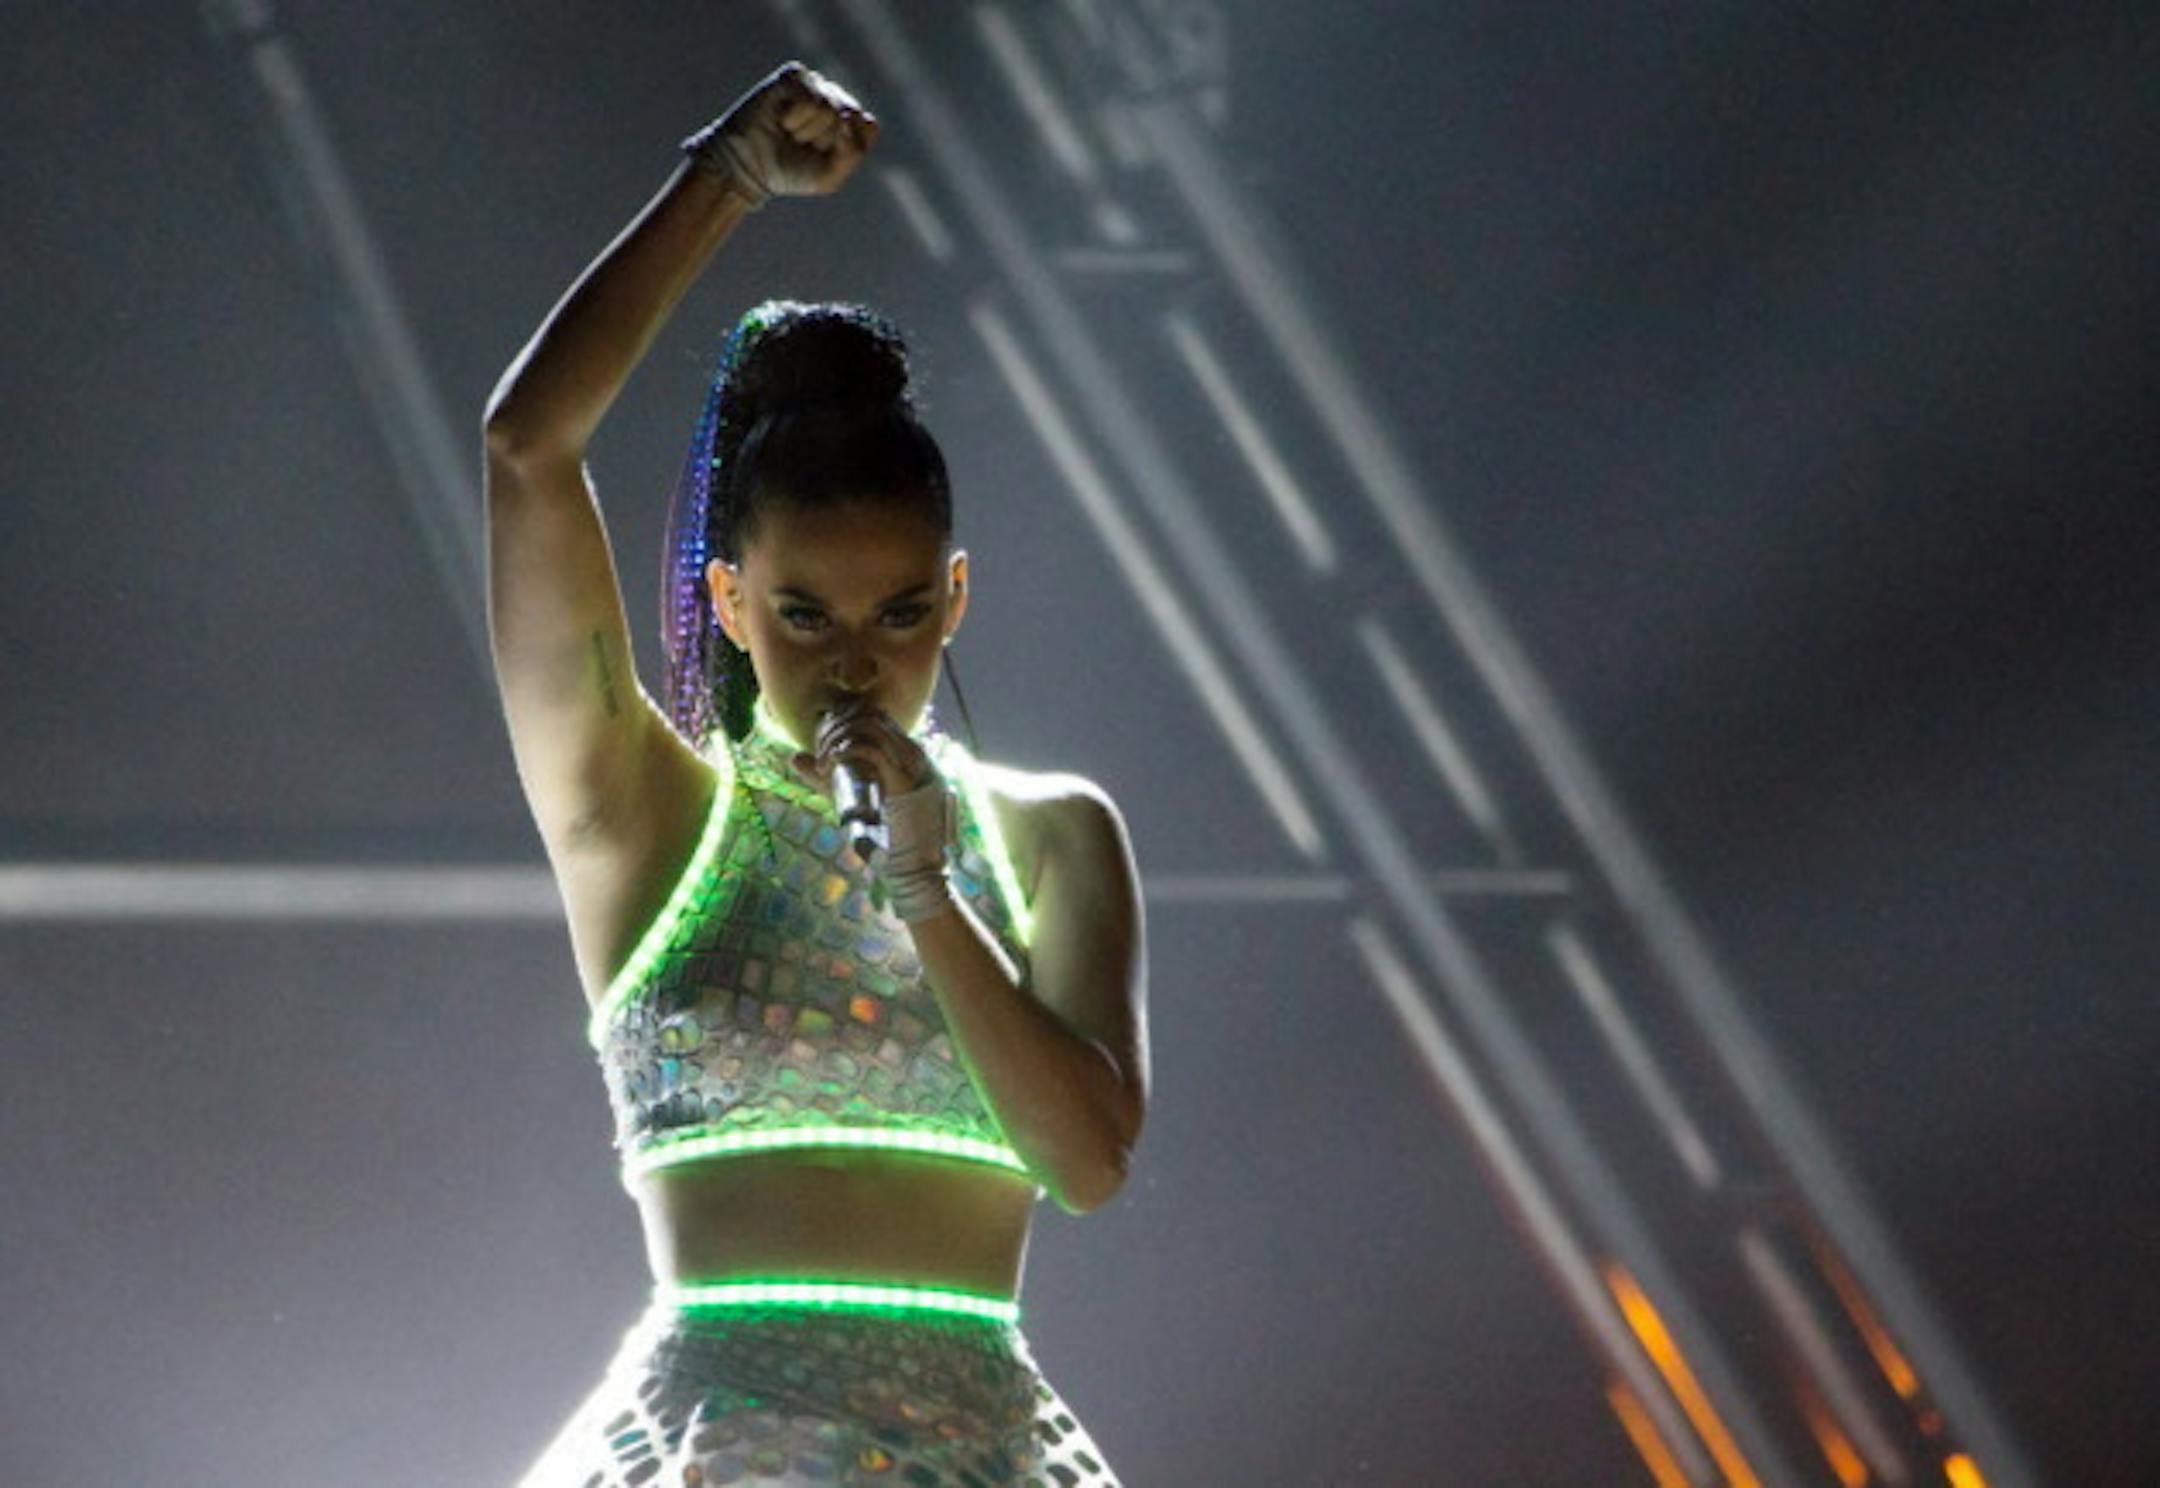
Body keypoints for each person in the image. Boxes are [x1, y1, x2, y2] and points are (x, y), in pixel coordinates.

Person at [481, 59, 1146, 1486]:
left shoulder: (1050, 837)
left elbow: (1087, 1166)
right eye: (805, 615)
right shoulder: (647, 813)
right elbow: (529, 451)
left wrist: (922, 886)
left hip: (989, 1445)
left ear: (955, 596)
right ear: (729, 603)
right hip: (719, 1441)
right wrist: (723, 176)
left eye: (902, 613)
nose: (857, 661)